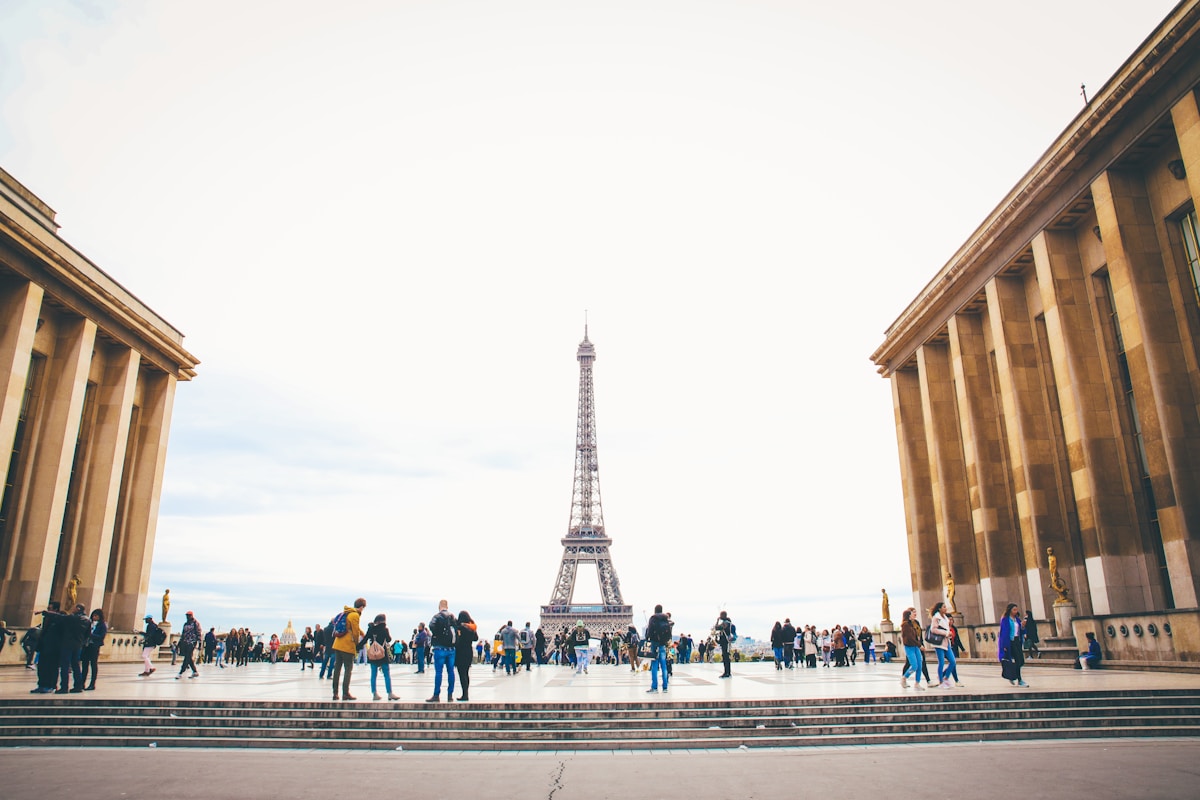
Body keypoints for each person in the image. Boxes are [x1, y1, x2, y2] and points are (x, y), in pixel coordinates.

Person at [331, 598, 366, 701]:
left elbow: (354, 628)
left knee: (337, 669)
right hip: (347, 646)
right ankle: (345, 693)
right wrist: (357, 644)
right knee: (348, 669)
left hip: (338, 644)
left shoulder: (347, 613)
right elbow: (355, 632)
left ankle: (335, 693)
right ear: (361, 607)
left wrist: (363, 633)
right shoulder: (355, 615)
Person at [426, 599, 458, 702]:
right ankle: (450, 695)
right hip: (451, 649)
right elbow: (457, 629)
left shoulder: (437, 616)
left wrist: (438, 634)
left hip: (439, 648)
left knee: (439, 672)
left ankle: (436, 695)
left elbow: (431, 626)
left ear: (439, 606)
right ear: (447, 606)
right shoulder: (452, 617)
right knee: (451, 672)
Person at [363, 613, 399, 701]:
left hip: (373, 655)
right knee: (386, 674)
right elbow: (389, 639)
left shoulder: (371, 629)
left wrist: (357, 647)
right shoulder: (384, 629)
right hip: (382, 654)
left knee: (373, 675)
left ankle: (374, 693)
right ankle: (390, 693)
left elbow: (365, 639)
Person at [59, 603, 90, 693]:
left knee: (65, 665)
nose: (72, 609)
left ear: (78, 608)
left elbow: (60, 617)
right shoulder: (87, 620)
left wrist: (46, 612)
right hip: (78, 645)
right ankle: (78, 686)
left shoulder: (73, 618)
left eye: (74, 608)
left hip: (68, 643)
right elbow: (88, 634)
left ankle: (64, 687)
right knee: (76, 665)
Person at [998, 602, 1028, 687]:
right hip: (1010, 642)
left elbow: (1021, 630)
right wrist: (1003, 645)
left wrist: (1022, 626)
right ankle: (1019, 680)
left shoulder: (1017, 619)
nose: (1016, 611)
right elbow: (1003, 633)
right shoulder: (1005, 620)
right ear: (1010, 610)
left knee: (1021, 661)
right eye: (1014, 609)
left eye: (1016, 609)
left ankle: (1012, 675)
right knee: (1017, 660)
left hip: (1017, 641)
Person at [928, 602, 955, 689]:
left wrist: (948, 633)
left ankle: (946, 677)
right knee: (941, 662)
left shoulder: (945, 618)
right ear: (939, 608)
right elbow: (933, 629)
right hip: (939, 643)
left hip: (947, 643)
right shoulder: (936, 618)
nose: (945, 608)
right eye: (944, 607)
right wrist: (945, 633)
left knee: (953, 661)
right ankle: (941, 681)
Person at [79, 608, 107, 691]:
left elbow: (101, 636)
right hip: (86, 645)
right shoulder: (89, 623)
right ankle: (82, 683)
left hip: (94, 646)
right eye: (93, 615)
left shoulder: (102, 625)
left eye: (96, 616)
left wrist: (91, 635)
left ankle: (92, 683)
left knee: (93, 664)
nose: (94, 617)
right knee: (84, 664)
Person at [646, 604, 672, 693]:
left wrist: (648, 638)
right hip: (663, 644)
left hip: (654, 644)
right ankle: (665, 687)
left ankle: (654, 687)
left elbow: (649, 632)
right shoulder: (666, 619)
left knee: (654, 666)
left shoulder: (653, 618)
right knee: (664, 666)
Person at [899, 607, 926, 690]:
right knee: (914, 665)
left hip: (915, 647)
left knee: (919, 665)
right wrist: (919, 645)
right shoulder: (905, 625)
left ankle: (917, 683)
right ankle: (904, 678)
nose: (913, 615)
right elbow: (910, 638)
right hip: (909, 647)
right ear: (908, 616)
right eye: (911, 614)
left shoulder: (912, 624)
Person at [455, 610, 478, 701]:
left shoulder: (460, 627)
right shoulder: (471, 628)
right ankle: (466, 693)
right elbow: (476, 638)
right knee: (466, 673)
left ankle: (465, 694)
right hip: (469, 651)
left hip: (460, 652)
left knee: (462, 674)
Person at [176, 610, 201, 679]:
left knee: (187, 656)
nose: (188, 617)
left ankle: (181, 672)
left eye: (189, 615)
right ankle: (195, 671)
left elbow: (198, 633)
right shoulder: (185, 624)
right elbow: (183, 634)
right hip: (185, 642)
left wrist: (199, 643)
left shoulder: (196, 623)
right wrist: (179, 643)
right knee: (188, 657)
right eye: (187, 615)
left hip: (192, 642)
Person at [139, 613, 161, 678]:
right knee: (146, 657)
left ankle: (151, 668)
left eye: (146, 619)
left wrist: (141, 633)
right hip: (152, 643)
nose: (145, 621)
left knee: (144, 655)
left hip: (150, 643)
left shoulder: (151, 626)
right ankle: (147, 671)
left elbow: (149, 635)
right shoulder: (154, 625)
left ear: (150, 619)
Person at [714, 611, 734, 678]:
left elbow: (716, 627)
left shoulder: (725, 623)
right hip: (726, 642)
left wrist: (717, 620)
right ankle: (727, 672)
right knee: (726, 657)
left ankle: (727, 672)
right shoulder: (728, 622)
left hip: (725, 642)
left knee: (725, 657)